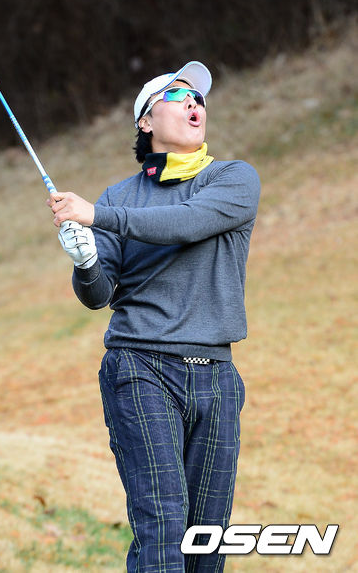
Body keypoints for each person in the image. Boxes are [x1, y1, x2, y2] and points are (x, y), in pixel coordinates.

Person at [47, 61, 260, 572]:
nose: (194, 103)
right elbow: (98, 295)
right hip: (139, 368)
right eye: (178, 95)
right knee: (163, 527)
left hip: (217, 376)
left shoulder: (232, 178)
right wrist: (86, 262)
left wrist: (98, 217)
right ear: (145, 121)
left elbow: (187, 223)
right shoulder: (121, 196)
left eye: (198, 98)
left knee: (206, 542)